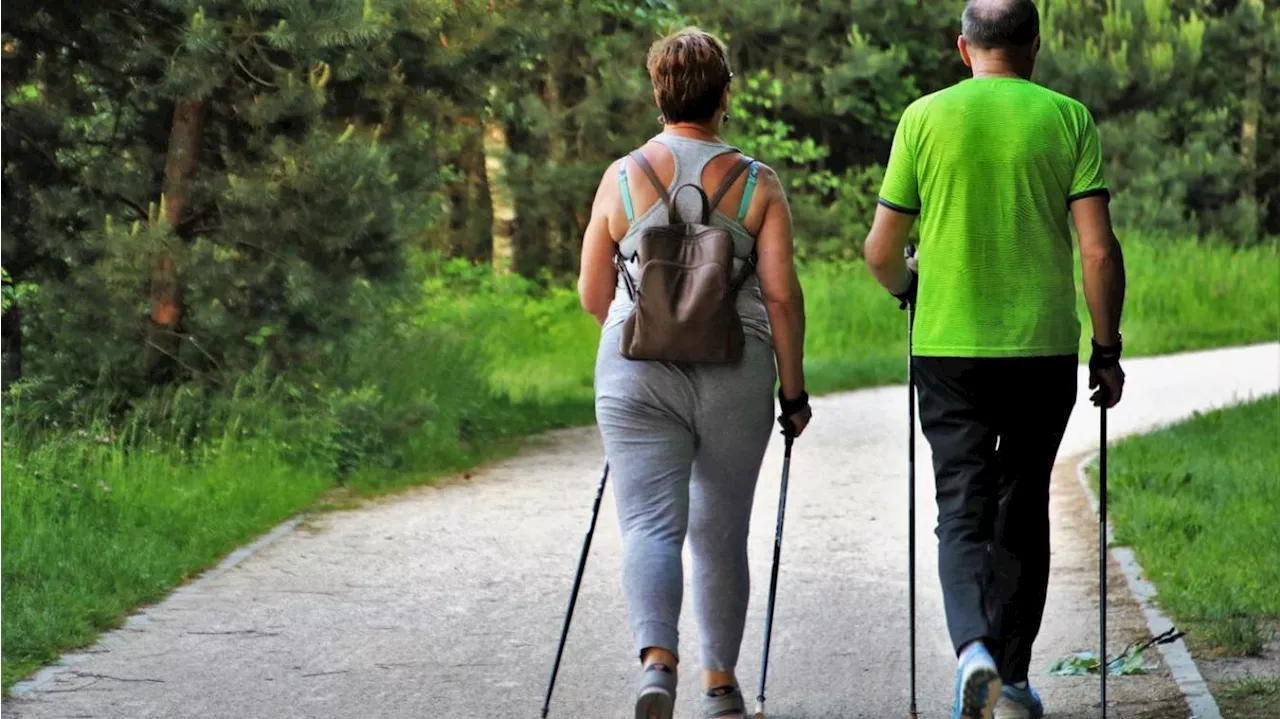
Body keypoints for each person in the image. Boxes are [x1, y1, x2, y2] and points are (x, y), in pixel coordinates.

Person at [863, 1, 1127, 718]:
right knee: (1023, 505)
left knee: (961, 509)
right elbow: (1098, 252)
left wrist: (909, 287)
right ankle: (1011, 680)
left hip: (947, 347)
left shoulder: (923, 118)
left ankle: (972, 648)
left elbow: (880, 251)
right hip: (1041, 350)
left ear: (962, 47)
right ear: (1034, 46)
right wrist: (1107, 349)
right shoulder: (1067, 118)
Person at [576, 26, 811, 719]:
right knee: (720, 529)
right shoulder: (757, 182)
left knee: (649, 523)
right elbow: (781, 296)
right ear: (725, 95)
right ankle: (719, 686)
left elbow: (593, 294)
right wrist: (791, 390)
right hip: (735, 369)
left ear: (659, 92)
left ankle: (657, 663)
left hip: (634, 369)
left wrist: (647, 332)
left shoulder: (620, 177)